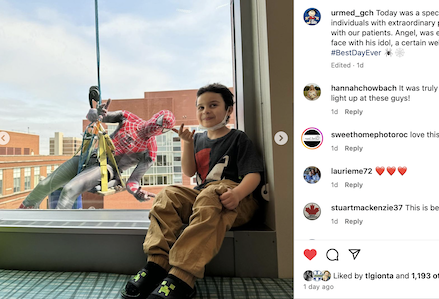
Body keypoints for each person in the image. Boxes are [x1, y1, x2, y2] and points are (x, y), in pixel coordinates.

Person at [121, 83, 264, 299]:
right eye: (201, 107)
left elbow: (254, 174)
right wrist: (186, 143)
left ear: (229, 110)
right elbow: (190, 171)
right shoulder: (198, 138)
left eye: (213, 105)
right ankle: (157, 264)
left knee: (212, 192)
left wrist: (237, 194)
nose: (206, 111)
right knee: (167, 194)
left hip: (235, 201)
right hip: (205, 198)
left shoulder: (238, 138)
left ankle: (182, 276)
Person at [19, 103, 175, 209]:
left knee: (69, 190)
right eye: (160, 122)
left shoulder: (150, 150)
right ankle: (24, 214)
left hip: (107, 169)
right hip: (89, 157)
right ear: (156, 116)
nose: (157, 128)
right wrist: (98, 112)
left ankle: (59, 230)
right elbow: (93, 116)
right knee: (46, 184)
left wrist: (137, 192)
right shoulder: (128, 118)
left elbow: (133, 181)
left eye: (163, 129)